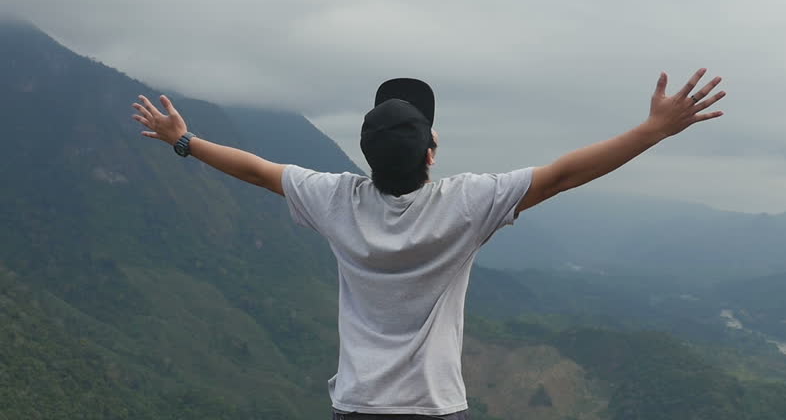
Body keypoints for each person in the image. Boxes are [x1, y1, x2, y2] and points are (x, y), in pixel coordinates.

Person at [132, 70, 726, 419]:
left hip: (358, 406)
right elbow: (566, 173)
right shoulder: (465, 205)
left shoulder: (335, 199)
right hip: (434, 409)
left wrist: (183, 142)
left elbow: (259, 171)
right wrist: (654, 129)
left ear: (365, 156)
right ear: (432, 154)